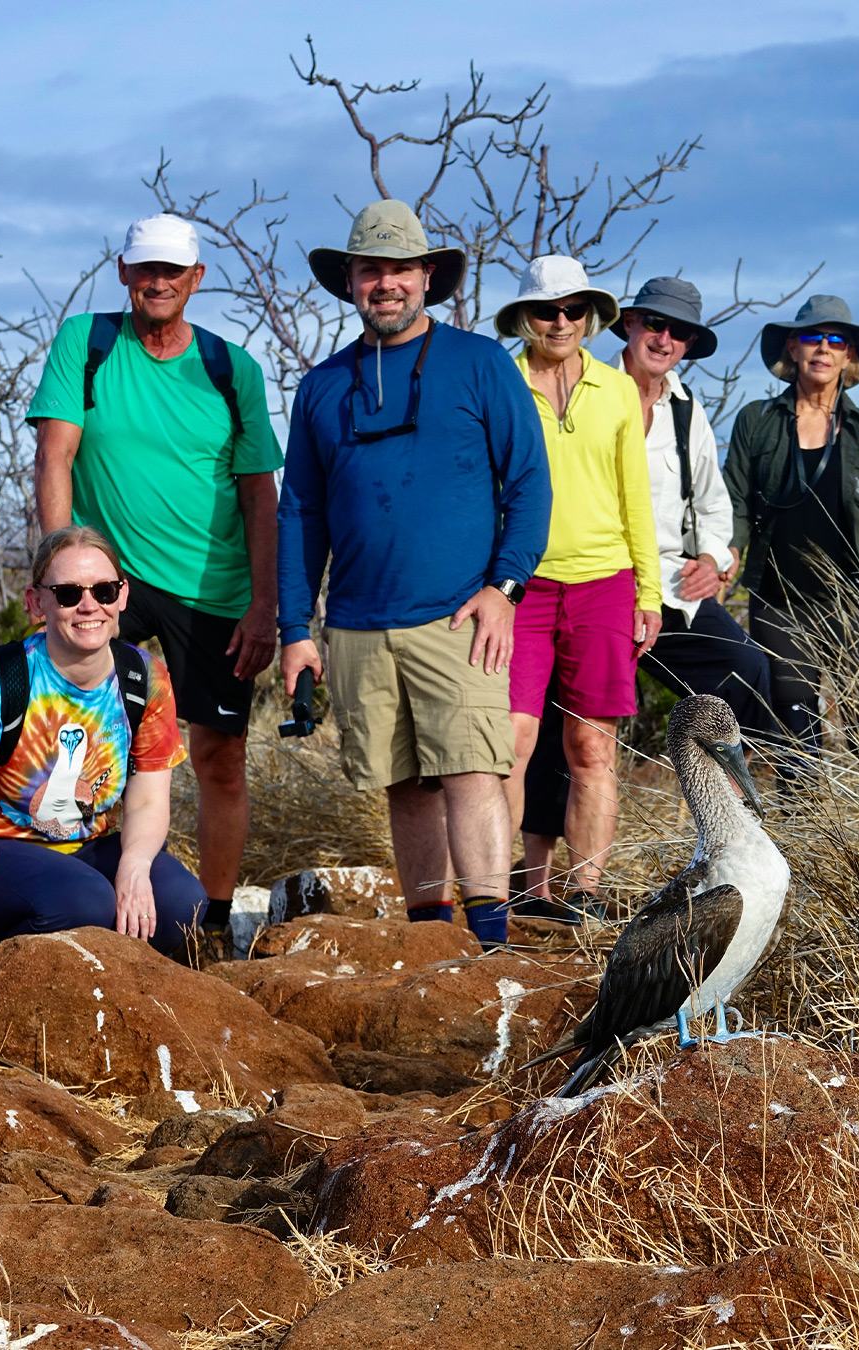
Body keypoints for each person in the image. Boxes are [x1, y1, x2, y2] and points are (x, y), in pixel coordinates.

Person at [277, 200, 551, 949]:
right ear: (351, 281)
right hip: (360, 623)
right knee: (403, 785)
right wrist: (296, 631)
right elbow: (300, 511)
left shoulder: (482, 363)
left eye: (401, 268)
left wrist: (505, 589)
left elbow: (529, 483)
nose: (386, 284)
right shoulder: (323, 387)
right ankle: (432, 942)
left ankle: (491, 941)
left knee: (472, 772)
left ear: (427, 276)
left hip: (460, 617)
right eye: (372, 269)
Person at [29, 214, 283, 937]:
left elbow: (259, 491)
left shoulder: (231, 367)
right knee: (77, 737)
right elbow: (56, 457)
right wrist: (61, 572)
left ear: (197, 280)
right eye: (146, 269)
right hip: (109, 584)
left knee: (218, 757)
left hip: (215, 590)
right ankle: (77, 897)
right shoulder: (88, 342)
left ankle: (214, 926)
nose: (159, 281)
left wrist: (267, 603)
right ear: (123, 272)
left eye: (173, 270)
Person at [517, 277, 776, 906]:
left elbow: (715, 506)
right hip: (586, 579)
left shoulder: (690, 412)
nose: (664, 339)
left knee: (743, 669)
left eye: (679, 332)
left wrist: (716, 558)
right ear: (627, 325)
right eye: (654, 325)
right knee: (561, 728)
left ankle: (737, 834)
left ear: (688, 344)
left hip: (669, 589)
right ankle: (535, 887)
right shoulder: (581, 389)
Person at [0, 527, 204, 973]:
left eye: (104, 590)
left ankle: (111, 988)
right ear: (35, 602)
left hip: (83, 849)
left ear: (122, 596)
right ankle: (9, 981)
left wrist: (136, 865)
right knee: (85, 903)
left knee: (181, 904)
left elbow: (146, 799)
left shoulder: (144, 679)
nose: (89, 605)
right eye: (67, 593)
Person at [494, 256, 661, 921]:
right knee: (507, 745)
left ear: (591, 317)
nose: (560, 322)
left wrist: (648, 593)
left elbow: (635, 498)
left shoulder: (619, 389)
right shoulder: (499, 381)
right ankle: (493, 888)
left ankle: (586, 893)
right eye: (545, 310)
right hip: (519, 586)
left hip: (605, 585)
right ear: (525, 318)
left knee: (592, 748)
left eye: (573, 310)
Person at [722, 294, 859, 783]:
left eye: (836, 339)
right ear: (792, 348)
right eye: (812, 337)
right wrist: (728, 554)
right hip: (780, 600)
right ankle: (803, 835)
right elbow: (735, 501)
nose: (823, 347)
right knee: (793, 724)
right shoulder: (756, 421)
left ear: (849, 356)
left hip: (854, 599)